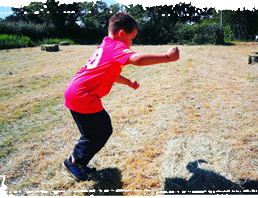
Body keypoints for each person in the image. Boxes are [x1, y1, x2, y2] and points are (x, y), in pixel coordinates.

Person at [62, 12, 180, 181]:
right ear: (122, 34)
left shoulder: (105, 46)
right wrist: (167, 57)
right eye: (132, 38)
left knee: (92, 133)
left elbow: (110, 73)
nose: (132, 43)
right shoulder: (116, 47)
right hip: (84, 96)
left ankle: (77, 162)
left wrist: (128, 82)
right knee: (102, 130)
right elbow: (137, 60)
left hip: (74, 92)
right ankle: (74, 162)